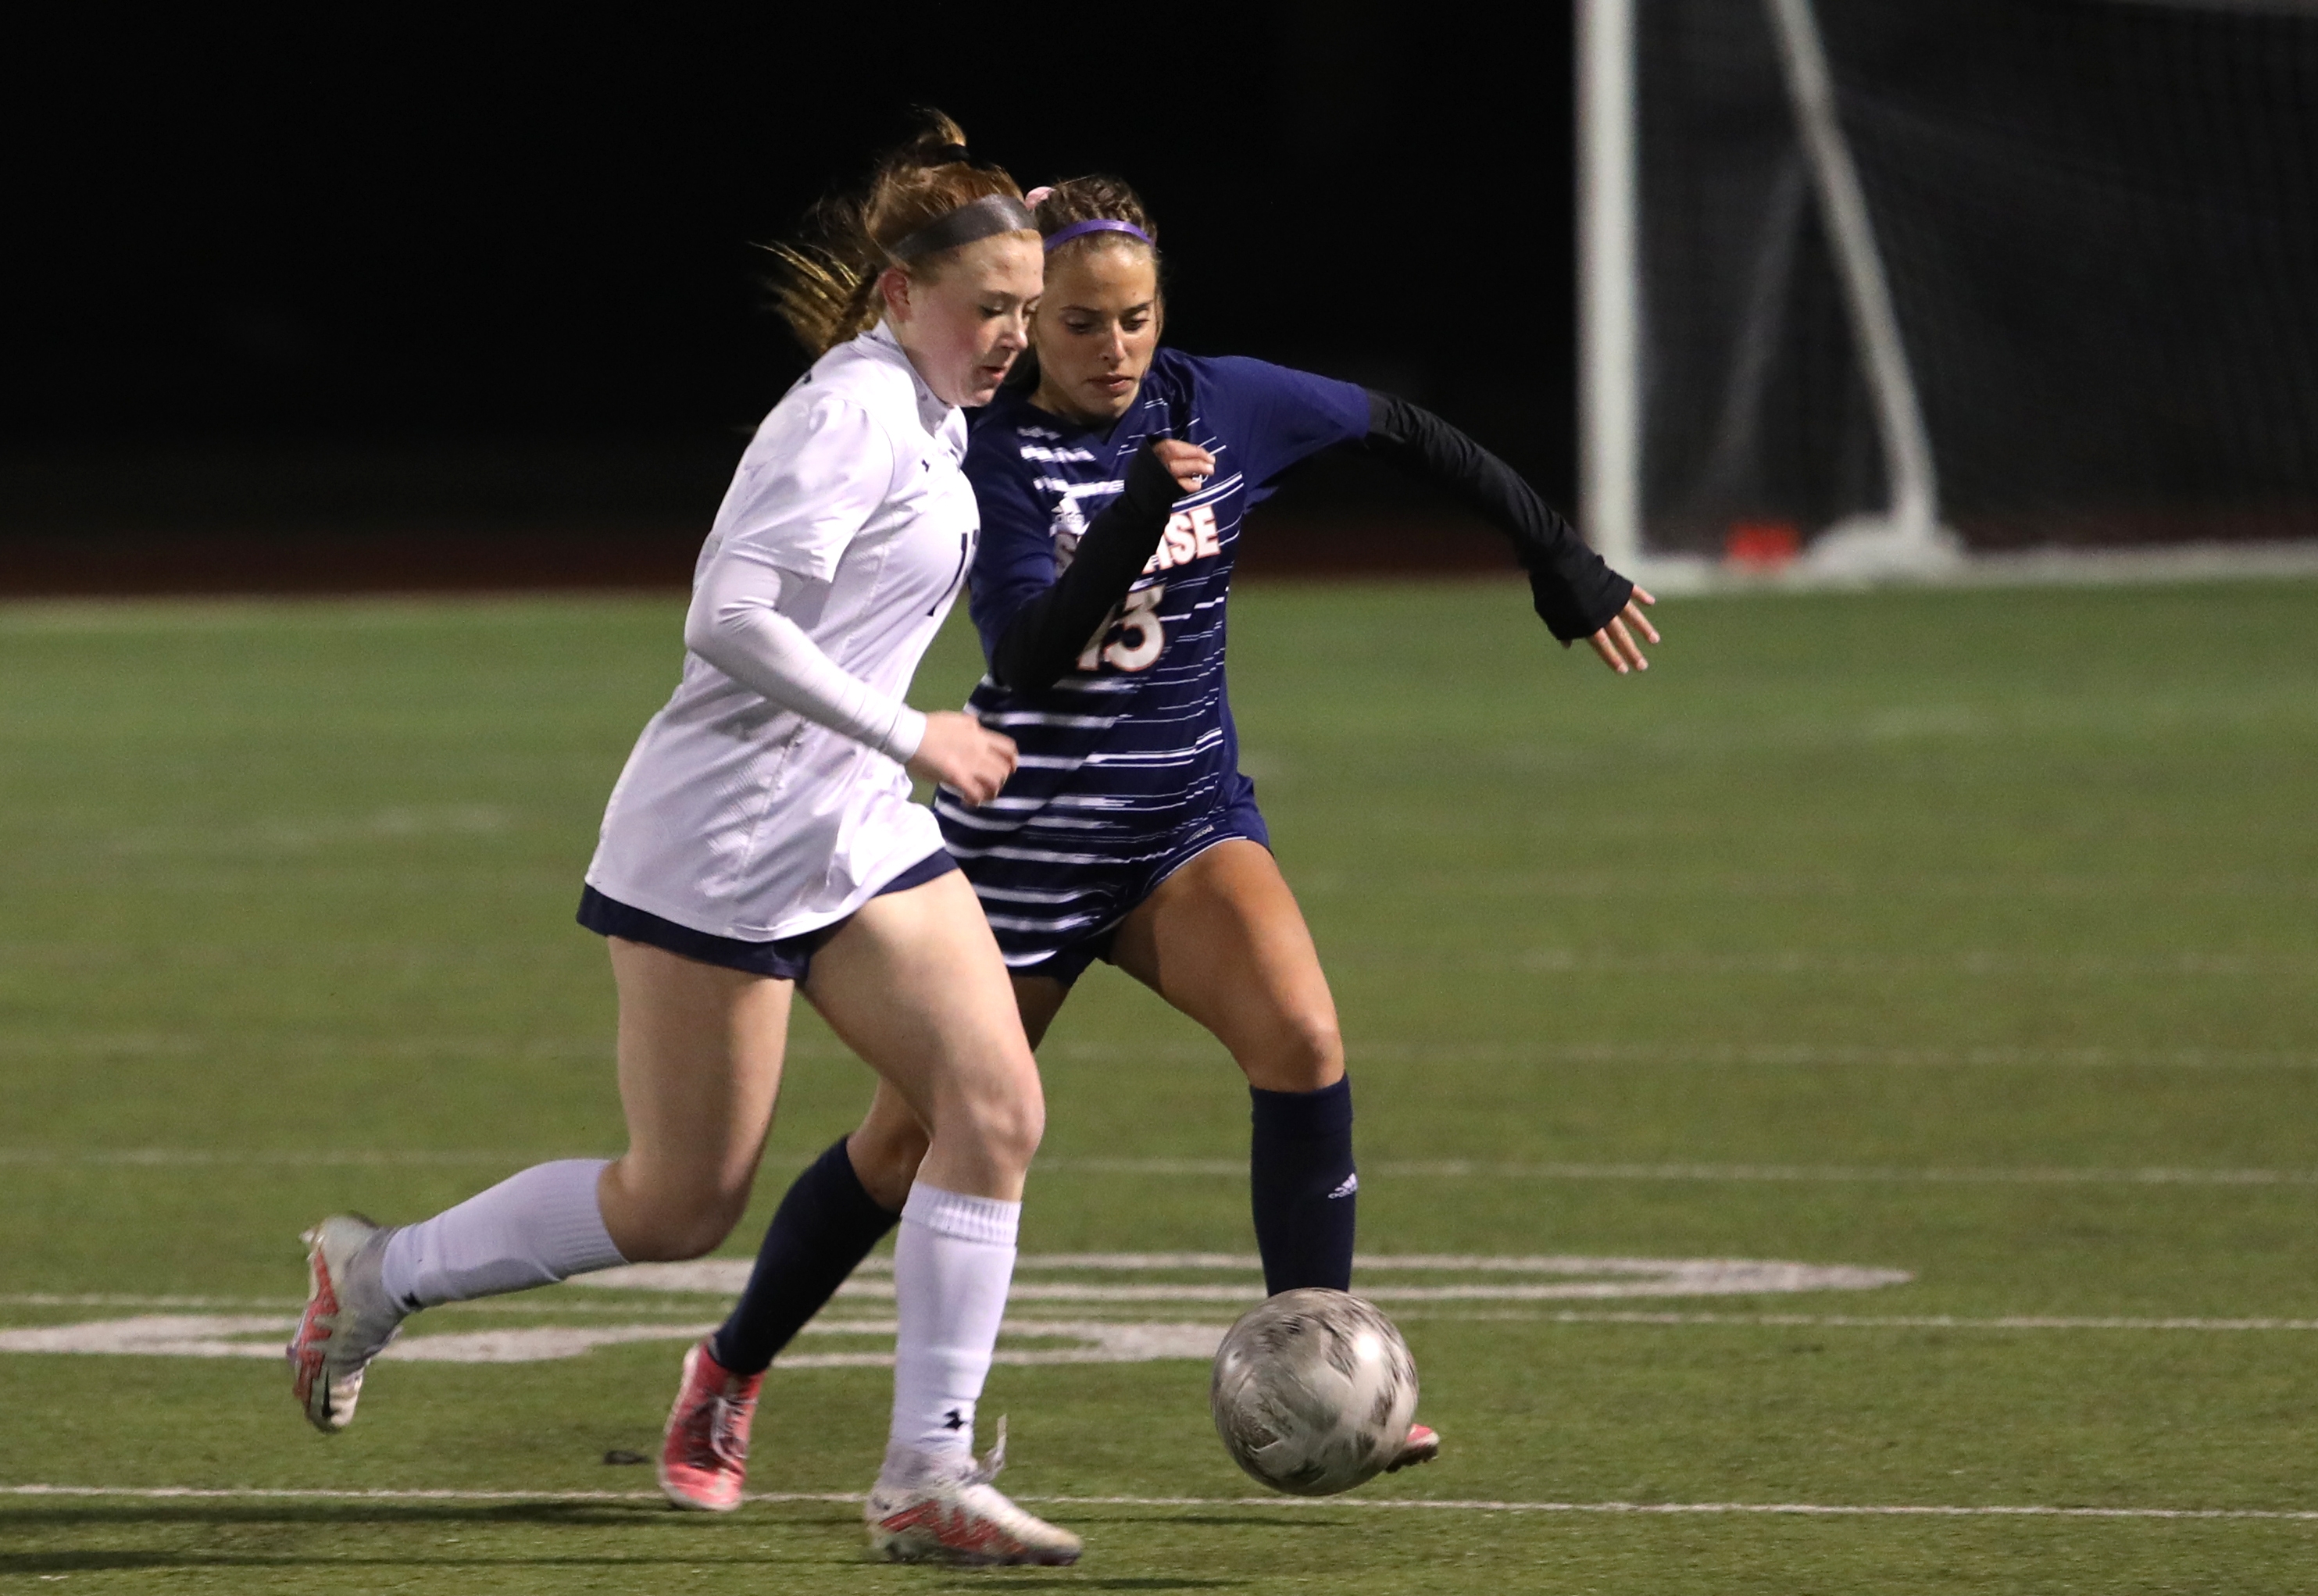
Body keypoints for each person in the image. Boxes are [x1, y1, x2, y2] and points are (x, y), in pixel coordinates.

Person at [652, 173, 1662, 1508]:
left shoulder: (1217, 400)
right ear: (1026, 323)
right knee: (907, 1142)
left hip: (1181, 827)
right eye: (1077, 324)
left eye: (1134, 317)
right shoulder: (984, 449)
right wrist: (1133, 510)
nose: (1112, 347)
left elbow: (1402, 428)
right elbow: (1025, 648)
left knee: (1301, 1041)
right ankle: (726, 1372)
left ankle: (1322, 1366)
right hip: (1019, 850)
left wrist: (1558, 558)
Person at [285, 116, 1207, 1567]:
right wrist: (917, 731)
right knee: (678, 1202)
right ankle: (377, 1272)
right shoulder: (845, 414)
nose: (1011, 336)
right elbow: (727, 617)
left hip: (849, 831)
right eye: (991, 310)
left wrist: (895, 753)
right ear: (899, 296)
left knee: (994, 1108)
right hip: (716, 840)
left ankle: (924, 1474)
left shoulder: (933, 407)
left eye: (1027, 313)